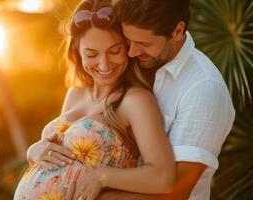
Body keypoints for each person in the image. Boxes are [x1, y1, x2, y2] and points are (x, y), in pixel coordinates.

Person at [13, 0, 176, 199]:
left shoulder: (135, 100)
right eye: (91, 54)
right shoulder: (75, 94)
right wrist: (34, 151)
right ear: (77, 51)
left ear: (127, 47)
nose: (104, 64)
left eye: (115, 51)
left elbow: (163, 177)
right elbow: (61, 163)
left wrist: (102, 177)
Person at [88, 0, 235, 199]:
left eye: (144, 44)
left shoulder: (203, 89)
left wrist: (92, 190)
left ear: (177, 30)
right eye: (128, 41)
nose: (132, 52)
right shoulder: (131, 62)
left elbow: (175, 193)